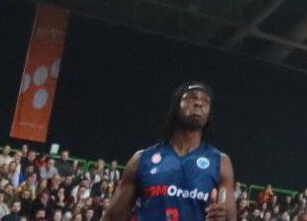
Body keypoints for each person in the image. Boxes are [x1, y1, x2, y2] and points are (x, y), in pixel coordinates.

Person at [99, 85, 234, 221]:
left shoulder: (220, 162)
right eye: (191, 98)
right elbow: (112, 217)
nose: (199, 103)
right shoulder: (142, 159)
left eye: (205, 101)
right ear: (177, 107)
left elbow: (230, 218)